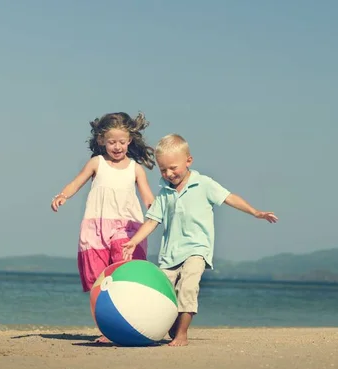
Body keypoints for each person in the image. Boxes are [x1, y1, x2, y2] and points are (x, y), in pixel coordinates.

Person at [121, 133, 278, 346]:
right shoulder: (164, 192)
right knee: (161, 294)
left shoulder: (203, 184)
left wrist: (255, 212)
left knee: (188, 287)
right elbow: (151, 221)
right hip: (169, 255)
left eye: (173, 168)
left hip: (197, 250)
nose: (169, 173)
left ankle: (182, 335)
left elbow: (230, 198)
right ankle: (170, 328)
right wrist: (134, 241)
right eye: (163, 169)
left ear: (188, 161)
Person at [50, 112, 156, 342]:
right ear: (101, 141)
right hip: (96, 227)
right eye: (111, 142)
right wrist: (63, 195)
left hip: (127, 227)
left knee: (124, 275)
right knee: (101, 281)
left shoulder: (135, 168)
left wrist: (157, 210)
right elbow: (76, 182)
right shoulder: (97, 163)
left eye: (121, 141)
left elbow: (148, 197)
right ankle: (107, 328)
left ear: (130, 140)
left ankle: (132, 321)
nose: (117, 146)